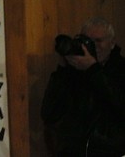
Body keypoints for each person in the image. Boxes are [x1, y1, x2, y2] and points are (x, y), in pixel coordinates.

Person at [41, 16, 125, 156]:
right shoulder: (74, 72)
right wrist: (63, 69)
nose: (93, 46)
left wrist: (93, 69)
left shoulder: (121, 69)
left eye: (98, 41)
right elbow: (49, 113)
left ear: (112, 43)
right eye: (87, 41)